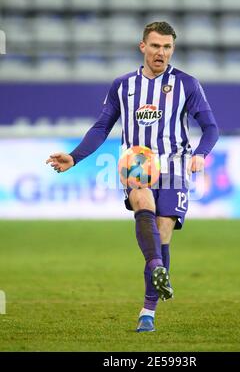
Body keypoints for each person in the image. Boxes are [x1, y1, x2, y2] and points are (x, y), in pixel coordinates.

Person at [46, 22, 219, 332]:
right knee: (141, 199)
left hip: (177, 163)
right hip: (136, 161)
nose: (161, 52)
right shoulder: (123, 85)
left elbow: (211, 128)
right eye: (155, 46)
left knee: (163, 228)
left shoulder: (187, 84)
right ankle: (156, 269)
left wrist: (200, 154)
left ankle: (148, 310)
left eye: (167, 47)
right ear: (143, 47)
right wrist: (74, 156)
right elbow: (101, 127)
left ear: (172, 49)